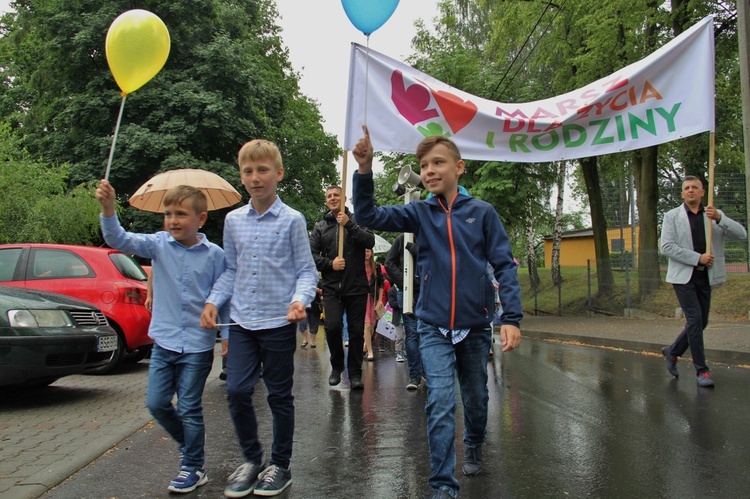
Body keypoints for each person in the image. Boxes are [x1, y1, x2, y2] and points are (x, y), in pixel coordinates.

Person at [352, 128, 522, 499]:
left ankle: (474, 441)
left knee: (476, 399)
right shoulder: (420, 212)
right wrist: (364, 168)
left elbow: (504, 265)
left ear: (459, 167)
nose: (429, 170)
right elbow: (367, 214)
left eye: (438, 163)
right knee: (441, 400)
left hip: (476, 326)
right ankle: (443, 486)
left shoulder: (482, 213)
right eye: (424, 165)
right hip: (432, 325)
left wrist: (510, 317)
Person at [201, 139, 318, 497]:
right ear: (241, 176)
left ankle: (279, 465)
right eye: (248, 171)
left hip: (279, 322)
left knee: (279, 396)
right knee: (236, 390)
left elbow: (306, 272)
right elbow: (231, 269)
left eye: (262, 170)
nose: (255, 177)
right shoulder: (233, 220)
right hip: (241, 323)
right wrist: (213, 301)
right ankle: (252, 459)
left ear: (278, 174)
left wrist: (300, 302)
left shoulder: (293, 220)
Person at [95, 181, 227, 494]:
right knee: (156, 403)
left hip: (197, 344)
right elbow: (118, 238)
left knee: (190, 406)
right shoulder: (158, 244)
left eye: (180, 214)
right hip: (165, 342)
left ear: (201, 219)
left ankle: (193, 467)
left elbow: (225, 289)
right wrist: (108, 209)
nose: (172, 221)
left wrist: (224, 326)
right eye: (168, 214)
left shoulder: (214, 255)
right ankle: (189, 448)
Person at [660, 175, 747, 387]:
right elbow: (666, 247)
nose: (690, 190)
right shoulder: (672, 216)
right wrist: (696, 257)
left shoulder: (713, 216)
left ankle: (673, 351)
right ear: (682, 193)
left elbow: (742, 234)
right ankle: (702, 370)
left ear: (702, 192)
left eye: (694, 187)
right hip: (683, 277)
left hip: (705, 276)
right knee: (695, 320)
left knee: (701, 322)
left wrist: (720, 217)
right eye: (686, 188)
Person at [309, 185, 375, 389]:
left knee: (356, 331)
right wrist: (330, 264)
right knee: (333, 327)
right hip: (332, 288)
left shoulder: (358, 220)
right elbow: (311, 256)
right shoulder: (320, 227)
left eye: (336, 195)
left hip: (356, 287)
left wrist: (349, 225)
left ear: (344, 198)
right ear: (326, 201)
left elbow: (369, 241)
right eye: (329, 196)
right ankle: (337, 366)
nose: (332, 198)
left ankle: (355, 373)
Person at [385, 233, 424, 389]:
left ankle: (427, 370)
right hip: (407, 292)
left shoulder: (431, 233)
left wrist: (418, 251)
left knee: (428, 332)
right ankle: (415, 375)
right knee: (412, 332)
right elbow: (389, 263)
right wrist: (405, 281)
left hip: (428, 291)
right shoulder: (402, 239)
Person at [363, 248, 384, 360]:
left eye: (368, 251)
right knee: (366, 325)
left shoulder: (376, 266)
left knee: (372, 325)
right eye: (364, 251)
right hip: (361, 298)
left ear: (371, 253)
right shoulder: (357, 264)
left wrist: (380, 300)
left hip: (373, 298)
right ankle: (370, 352)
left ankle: (366, 344)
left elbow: (381, 283)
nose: (366, 253)